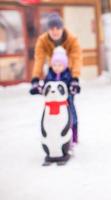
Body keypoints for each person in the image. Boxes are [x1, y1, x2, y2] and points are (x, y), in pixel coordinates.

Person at [29, 13, 81, 144]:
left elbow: (76, 58)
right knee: (51, 109)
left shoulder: (71, 39)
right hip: (52, 72)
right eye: (52, 28)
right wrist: (36, 79)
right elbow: (39, 59)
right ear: (48, 30)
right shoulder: (42, 40)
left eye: (58, 28)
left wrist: (74, 79)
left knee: (69, 108)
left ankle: (72, 135)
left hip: (67, 72)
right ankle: (53, 135)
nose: (55, 31)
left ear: (62, 28)